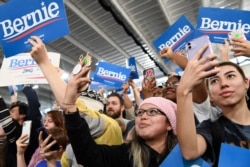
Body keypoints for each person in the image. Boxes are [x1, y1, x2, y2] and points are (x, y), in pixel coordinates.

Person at [29, 36, 123, 167]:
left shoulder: (110, 126)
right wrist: (50, 161)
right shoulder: (69, 150)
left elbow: (70, 106)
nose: (71, 115)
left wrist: (45, 63)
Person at [62, 66, 178, 167]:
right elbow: (89, 155)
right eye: (140, 112)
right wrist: (70, 106)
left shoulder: (185, 154)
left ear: (169, 123)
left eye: (152, 112)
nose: (143, 117)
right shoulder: (126, 155)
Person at [176, 45, 250, 166]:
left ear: (246, 82)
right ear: (210, 95)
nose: (224, 84)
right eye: (214, 80)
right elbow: (190, 152)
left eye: (230, 76)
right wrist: (183, 91)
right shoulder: (211, 129)